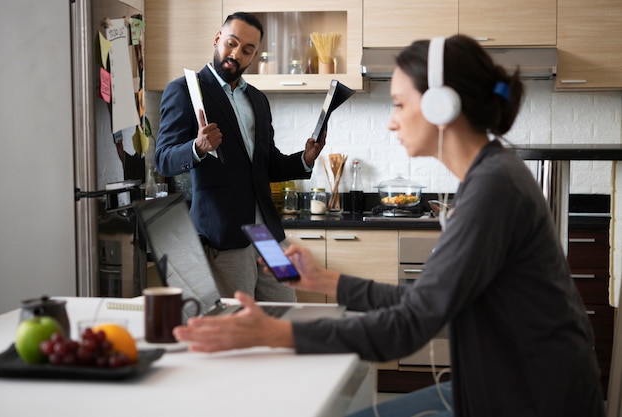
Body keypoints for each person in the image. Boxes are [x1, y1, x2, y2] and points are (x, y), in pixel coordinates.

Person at [172, 34, 605, 417]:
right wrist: (325, 279)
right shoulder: (491, 175)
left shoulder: (493, 188)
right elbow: (423, 301)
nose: (392, 120)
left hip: (530, 400)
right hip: (502, 388)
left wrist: (276, 332)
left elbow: (408, 325)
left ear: (442, 105)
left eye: (400, 104)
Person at [154, 12, 325, 302]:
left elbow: (267, 164)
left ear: (254, 55)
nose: (236, 54)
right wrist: (197, 147)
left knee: (286, 307)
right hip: (225, 235)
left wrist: (304, 159)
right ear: (218, 39)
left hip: (267, 234)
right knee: (237, 317)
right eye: (231, 43)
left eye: (247, 50)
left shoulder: (257, 100)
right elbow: (163, 159)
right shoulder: (184, 90)